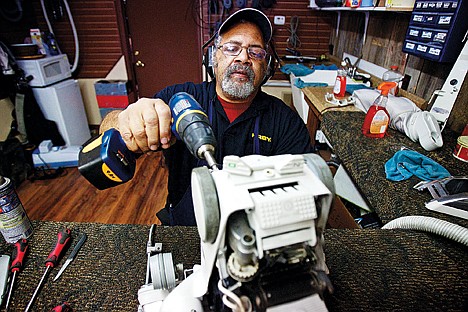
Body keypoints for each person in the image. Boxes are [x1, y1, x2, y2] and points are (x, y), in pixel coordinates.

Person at [100, 8, 313, 226]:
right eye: (232, 48)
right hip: (186, 230)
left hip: (255, 237)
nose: (243, 57)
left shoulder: (284, 121)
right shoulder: (179, 98)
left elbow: (306, 191)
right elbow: (109, 129)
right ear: (214, 58)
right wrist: (126, 120)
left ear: (267, 67)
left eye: (255, 52)